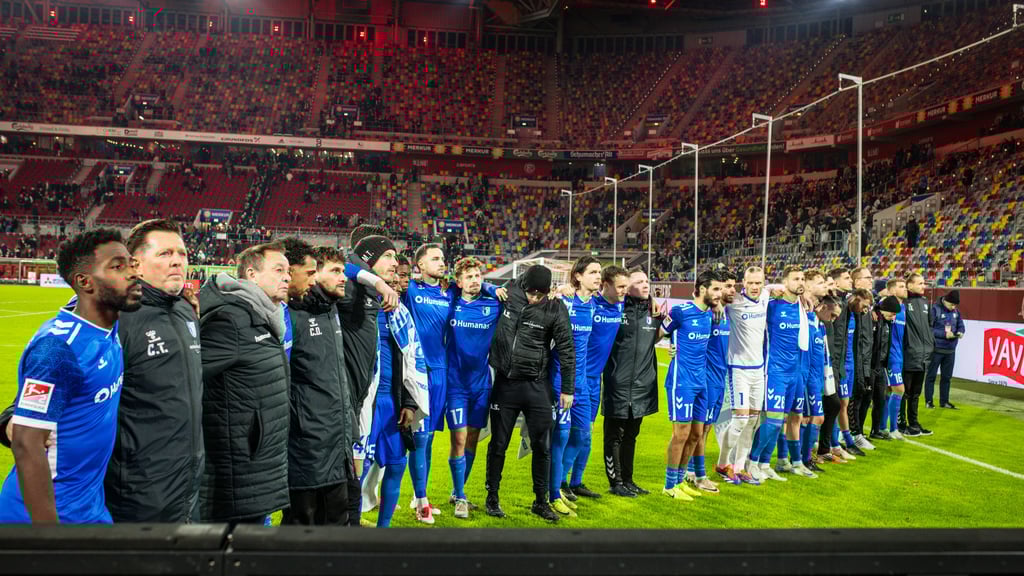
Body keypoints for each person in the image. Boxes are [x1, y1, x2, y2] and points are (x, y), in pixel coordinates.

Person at [1, 219, 205, 523]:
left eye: (182, 253)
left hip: (156, 496)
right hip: (110, 501)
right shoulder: (93, 330)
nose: (177, 261)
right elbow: (31, 418)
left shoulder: (176, 312)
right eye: (165, 253)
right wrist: (12, 420)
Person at [0, 229, 142, 523]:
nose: (132, 273)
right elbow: (26, 442)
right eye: (118, 266)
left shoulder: (105, 328)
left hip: (88, 506)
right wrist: (50, 537)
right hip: (50, 514)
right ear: (85, 282)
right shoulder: (58, 349)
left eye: (132, 263)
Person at [284, 246, 387, 526]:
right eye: (335, 271)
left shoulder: (331, 309)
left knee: (338, 524)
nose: (343, 278)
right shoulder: (293, 313)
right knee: (301, 524)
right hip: (307, 445)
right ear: (314, 274)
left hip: (337, 439)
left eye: (343, 271)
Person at [199, 242, 291, 524]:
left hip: (257, 466)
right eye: (279, 270)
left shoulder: (262, 317)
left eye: (288, 271)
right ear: (251, 274)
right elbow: (188, 380)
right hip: (237, 471)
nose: (287, 277)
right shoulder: (230, 319)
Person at [485, 265, 575, 522]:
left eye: (540, 294)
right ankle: (492, 497)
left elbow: (567, 349)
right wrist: (490, 287)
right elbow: (476, 285)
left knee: (542, 446)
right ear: (524, 286)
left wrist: (567, 389)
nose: (535, 298)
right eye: (531, 293)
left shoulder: (555, 306)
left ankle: (541, 501)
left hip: (537, 385)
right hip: (505, 384)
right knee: (498, 444)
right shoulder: (510, 291)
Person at [358, 236, 429, 528]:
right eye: (388, 257)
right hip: (363, 401)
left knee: (397, 465)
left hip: (392, 401)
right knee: (356, 469)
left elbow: (412, 359)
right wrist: (378, 285)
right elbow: (349, 266)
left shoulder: (399, 311)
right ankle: (350, 525)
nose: (395, 266)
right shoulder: (356, 301)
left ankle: (383, 530)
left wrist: (410, 403)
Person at [444, 256, 500, 519]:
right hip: (455, 385)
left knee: (473, 440)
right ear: (459, 281)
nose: (475, 280)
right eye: (469, 276)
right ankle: (460, 497)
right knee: (458, 438)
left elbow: (514, 295)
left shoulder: (493, 305)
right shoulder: (450, 302)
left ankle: (458, 492)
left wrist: (490, 288)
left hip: (481, 386)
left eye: (478, 276)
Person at [661, 269, 724, 501]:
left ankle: (680, 480)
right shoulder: (681, 311)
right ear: (702, 289)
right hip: (682, 381)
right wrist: (670, 346)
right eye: (715, 289)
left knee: (696, 434)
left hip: (701, 382)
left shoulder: (709, 315)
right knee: (681, 433)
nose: (719, 294)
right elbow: (659, 333)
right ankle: (669, 485)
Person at [603, 267, 663, 497]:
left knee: (631, 436)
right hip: (618, 383)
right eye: (639, 282)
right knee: (614, 436)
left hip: (642, 385)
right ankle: (615, 482)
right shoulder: (615, 309)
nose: (646, 285)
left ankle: (628, 480)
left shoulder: (654, 312)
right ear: (627, 287)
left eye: (647, 281)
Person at [751, 265, 816, 480]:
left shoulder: (803, 307)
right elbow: (753, 296)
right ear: (785, 282)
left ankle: (764, 464)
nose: (800, 282)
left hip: (795, 372)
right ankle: (752, 462)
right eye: (795, 279)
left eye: (802, 279)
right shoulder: (772, 305)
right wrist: (771, 288)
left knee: (782, 422)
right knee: (773, 421)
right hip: (775, 371)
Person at [573, 265, 628, 498]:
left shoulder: (621, 305)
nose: (624, 291)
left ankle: (575, 482)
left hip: (596, 380)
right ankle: (559, 483)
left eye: (626, 287)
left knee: (586, 435)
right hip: (577, 377)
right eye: (620, 286)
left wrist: (652, 300)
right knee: (570, 434)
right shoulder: (591, 304)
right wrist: (565, 290)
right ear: (605, 285)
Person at [555, 256, 600, 511]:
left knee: (582, 434)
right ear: (578, 276)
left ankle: (562, 481)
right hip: (560, 380)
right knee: (560, 436)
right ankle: (554, 487)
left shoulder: (595, 304)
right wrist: (559, 290)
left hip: (581, 382)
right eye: (592, 272)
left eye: (599, 272)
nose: (598, 276)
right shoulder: (564, 301)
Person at [724, 266, 770, 485]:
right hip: (738, 369)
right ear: (743, 282)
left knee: (752, 421)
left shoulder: (766, 297)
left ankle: (740, 467)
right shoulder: (733, 302)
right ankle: (724, 463)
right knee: (740, 420)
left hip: (758, 370)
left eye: (758, 283)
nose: (754, 287)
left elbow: (778, 289)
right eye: (750, 282)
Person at [694, 269, 737, 489]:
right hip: (707, 378)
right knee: (699, 428)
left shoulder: (727, 312)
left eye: (730, 286)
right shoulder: (708, 313)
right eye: (722, 287)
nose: (728, 291)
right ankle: (695, 473)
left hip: (721, 379)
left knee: (706, 428)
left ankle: (693, 471)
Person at [901, 273, 934, 436]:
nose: (923, 286)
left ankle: (914, 423)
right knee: (904, 393)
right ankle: (901, 424)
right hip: (909, 354)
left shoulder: (926, 303)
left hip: (924, 356)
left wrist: (930, 345)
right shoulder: (904, 303)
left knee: (915, 393)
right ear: (910, 285)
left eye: (923, 283)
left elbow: (929, 326)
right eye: (920, 283)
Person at [848, 267, 877, 451]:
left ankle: (857, 433)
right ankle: (853, 434)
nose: (871, 280)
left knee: (864, 397)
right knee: (853, 399)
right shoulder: (853, 304)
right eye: (867, 277)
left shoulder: (869, 305)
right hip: (855, 359)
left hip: (867, 358)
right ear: (857, 282)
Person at [281, 237, 320, 361]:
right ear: (288, 271)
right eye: (309, 273)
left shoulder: (285, 310)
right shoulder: (261, 315)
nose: (313, 282)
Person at [873, 296, 904, 440]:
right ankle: (893, 428)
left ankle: (882, 427)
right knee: (899, 389)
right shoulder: (880, 311)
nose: (893, 317)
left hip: (897, 356)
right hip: (889, 358)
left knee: (887, 391)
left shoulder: (900, 310)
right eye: (901, 286)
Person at [926, 290, 964, 409]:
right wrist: (944, 334)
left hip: (950, 350)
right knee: (931, 376)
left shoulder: (956, 311)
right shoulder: (935, 310)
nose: (953, 307)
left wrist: (961, 332)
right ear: (945, 301)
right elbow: (929, 329)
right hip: (936, 350)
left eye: (955, 305)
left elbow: (961, 325)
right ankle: (929, 401)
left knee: (947, 378)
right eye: (951, 304)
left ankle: (944, 402)